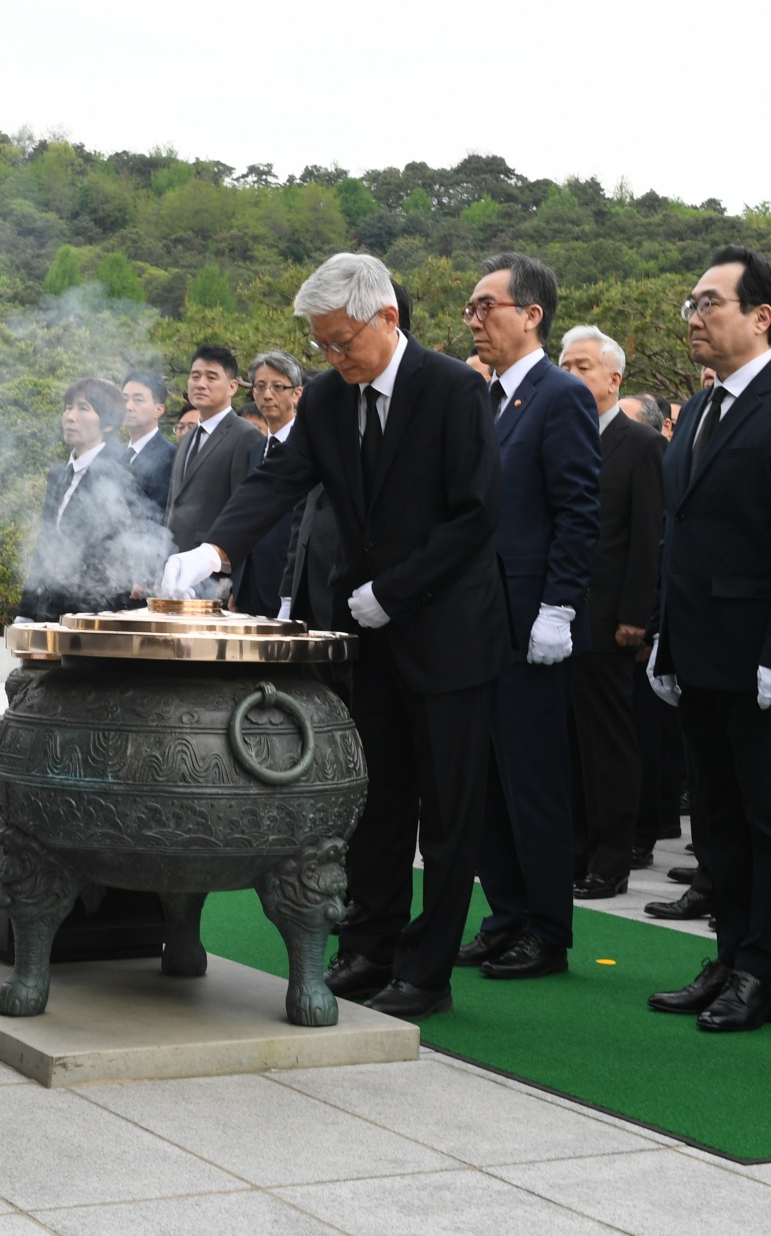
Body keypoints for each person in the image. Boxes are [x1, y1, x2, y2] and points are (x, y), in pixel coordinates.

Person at [163, 252, 504, 1020]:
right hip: (370, 632)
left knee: (448, 812)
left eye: (342, 340)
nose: (332, 356)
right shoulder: (324, 400)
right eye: (320, 344)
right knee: (375, 798)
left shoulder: (452, 389)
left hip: (448, 630)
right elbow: (276, 483)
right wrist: (215, 550)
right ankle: (370, 944)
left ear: (386, 318)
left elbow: (475, 514)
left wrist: (394, 588)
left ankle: (427, 969)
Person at [643, 247, 771, 1032]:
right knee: (716, 816)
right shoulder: (695, 411)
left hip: (763, 654)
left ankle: (763, 968)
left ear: (760, 315)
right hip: (698, 648)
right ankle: (727, 951)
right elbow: (679, 538)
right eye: (690, 303)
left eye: (709, 302)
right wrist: (663, 639)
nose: (693, 316)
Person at [459, 255, 600, 980]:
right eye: (470, 309)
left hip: (528, 616)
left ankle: (545, 927)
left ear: (531, 313)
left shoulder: (558, 395)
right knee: (483, 776)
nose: (474, 320)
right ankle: (505, 912)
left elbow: (578, 509)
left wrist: (558, 606)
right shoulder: (483, 398)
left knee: (532, 776)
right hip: (477, 617)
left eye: (487, 306)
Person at [558, 327, 664, 892]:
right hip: (556, 619)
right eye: (565, 366)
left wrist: (635, 615)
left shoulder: (642, 444)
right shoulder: (558, 436)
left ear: (613, 378)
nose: (571, 376)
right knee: (569, 745)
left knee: (608, 746)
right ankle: (574, 851)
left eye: (583, 367)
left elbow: (647, 538)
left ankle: (610, 858)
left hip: (608, 620)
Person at [20, 377, 160, 619]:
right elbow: (47, 544)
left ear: (108, 424)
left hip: (94, 612)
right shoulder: (59, 474)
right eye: (68, 408)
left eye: (83, 408)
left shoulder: (118, 475)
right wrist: (27, 610)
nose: (70, 416)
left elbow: (124, 552)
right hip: (50, 609)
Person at [163, 345, 265, 559]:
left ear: (232, 386)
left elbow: (247, 514)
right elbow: (174, 504)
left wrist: (232, 577)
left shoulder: (246, 435)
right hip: (175, 562)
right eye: (195, 376)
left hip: (213, 568)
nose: (200, 384)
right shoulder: (188, 437)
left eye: (211, 377)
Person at [232, 350, 307, 618]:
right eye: (260, 387)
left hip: (289, 584)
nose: (267, 395)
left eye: (278, 387)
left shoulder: (309, 447)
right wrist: (236, 583)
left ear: (297, 393)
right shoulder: (254, 449)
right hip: (249, 584)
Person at [119, 370, 176, 512]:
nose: (128, 407)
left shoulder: (169, 456)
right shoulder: (120, 454)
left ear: (158, 410)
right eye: (124, 399)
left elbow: (159, 515)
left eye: (138, 400)